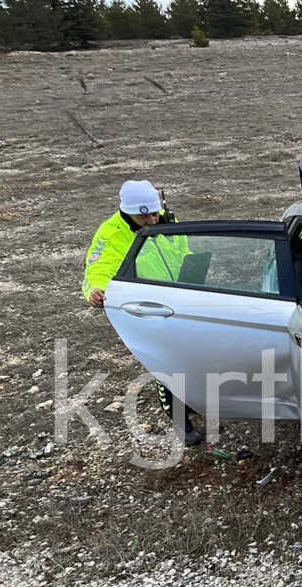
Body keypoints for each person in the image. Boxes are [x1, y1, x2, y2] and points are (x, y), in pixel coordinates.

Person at [81, 180, 202, 446]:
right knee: (165, 363)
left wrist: (194, 273)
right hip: (149, 307)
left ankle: (190, 399)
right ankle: (179, 419)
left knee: (188, 355)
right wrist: (96, 291)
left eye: (155, 213)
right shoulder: (110, 234)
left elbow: (183, 249)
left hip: (181, 298)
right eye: (144, 216)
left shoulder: (167, 219)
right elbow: (97, 269)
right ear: (127, 212)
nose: (152, 220)